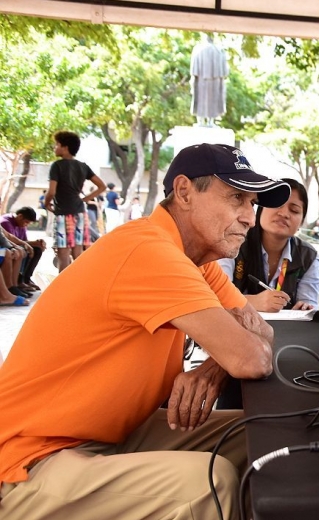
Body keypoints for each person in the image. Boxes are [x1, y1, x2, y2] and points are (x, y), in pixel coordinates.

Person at [0, 143, 291, 518]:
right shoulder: (148, 251)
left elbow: (260, 333)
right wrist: (231, 354)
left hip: (110, 435)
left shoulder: (194, 261)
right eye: (237, 198)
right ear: (184, 191)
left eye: (251, 203)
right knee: (207, 482)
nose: (249, 217)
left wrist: (213, 369)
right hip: (31, 461)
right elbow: (251, 356)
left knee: (260, 432)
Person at [219, 178, 319, 312]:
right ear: (260, 209)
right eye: (278, 204)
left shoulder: (308, 256)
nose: (284, 214)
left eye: (294, 210)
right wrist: (253, 302)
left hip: (287, 331)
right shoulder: (234, 240)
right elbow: (216, 297)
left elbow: (309, 303)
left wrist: (306, 308)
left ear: (301, 222)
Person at [45, 131, 106, 272]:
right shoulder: (83, 166)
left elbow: (52, 191)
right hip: (79, 213)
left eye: (57, 145)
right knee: (77, 252)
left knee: (63, 253)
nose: (55, 148)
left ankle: (63, 288)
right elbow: (101, 186)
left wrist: (47, 203)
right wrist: (84, 199)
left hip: (62, 213)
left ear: (65, 147)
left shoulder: (57, 166)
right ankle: (77, 285)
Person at [0, 208, 46, 292]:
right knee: (20, 251)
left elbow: (20, 240)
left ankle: (25, 279)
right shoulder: (5, 222)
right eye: (26, 222)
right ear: (20, 216)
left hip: (11, 246)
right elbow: (7, 239)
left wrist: (35, 243)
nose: (26, 225)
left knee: (35, 249)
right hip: (6, 248)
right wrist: (22, 245)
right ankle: (16, 283)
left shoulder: (20, 224)